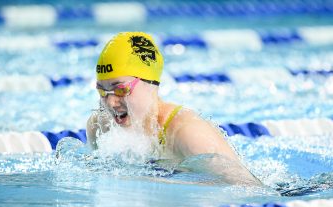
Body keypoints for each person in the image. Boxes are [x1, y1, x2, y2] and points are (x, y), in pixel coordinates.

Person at [86, 32, 261, 185]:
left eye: (120, 89)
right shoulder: (100, 127)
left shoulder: (187, 133)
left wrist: (158, 182)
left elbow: (246, 188)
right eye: (102, 91)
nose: (110, 102)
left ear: (151, 84)